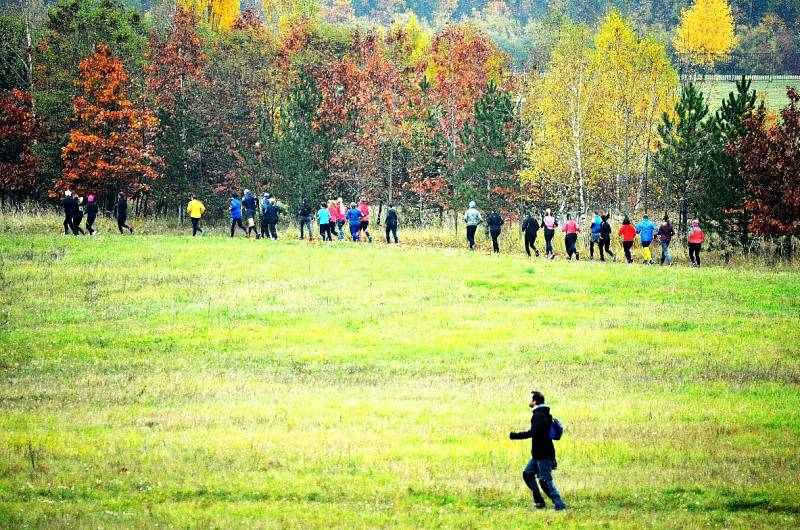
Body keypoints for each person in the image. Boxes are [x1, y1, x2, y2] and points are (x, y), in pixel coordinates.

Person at [510, 390, 567, 512]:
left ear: (534, 401)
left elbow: (535, 432)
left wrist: (515, 435)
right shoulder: (540, 413)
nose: (528, 400)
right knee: (528, 474)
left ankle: (560, 505)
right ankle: (539, 501)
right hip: (538, 454)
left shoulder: (539, 415)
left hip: (543, 454)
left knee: (545, 480)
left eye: (530, 398)